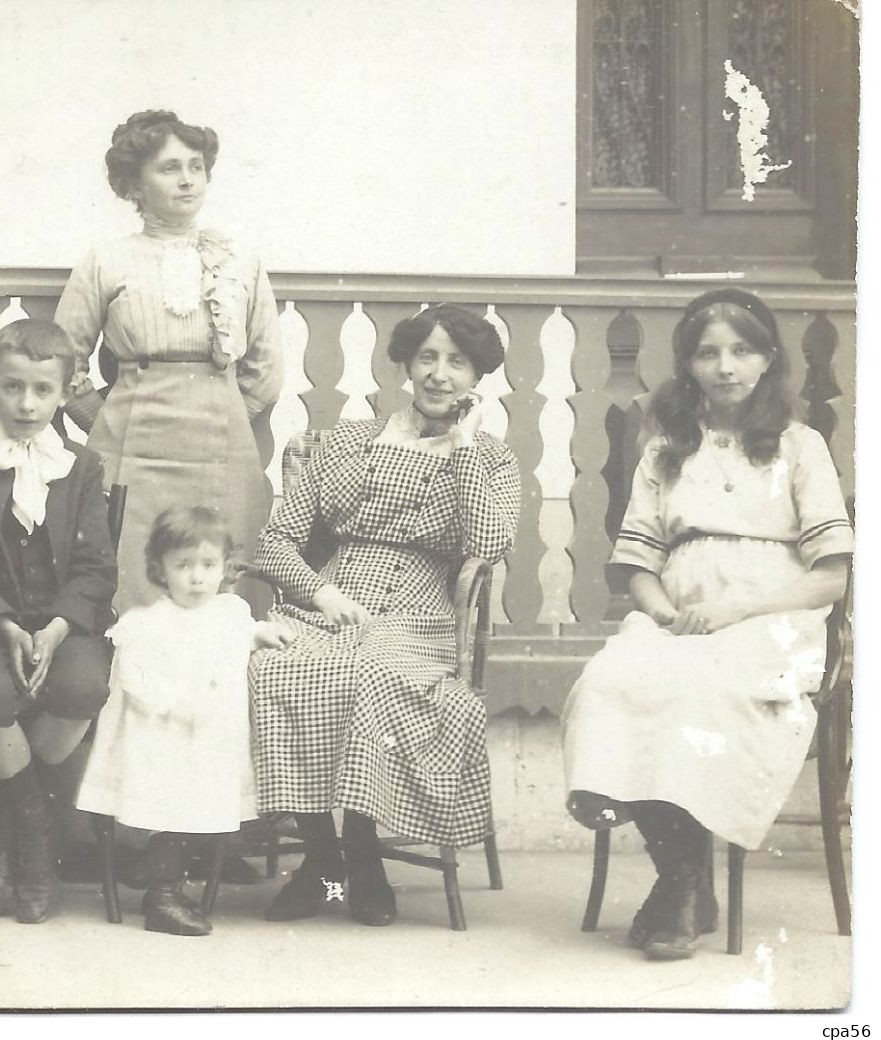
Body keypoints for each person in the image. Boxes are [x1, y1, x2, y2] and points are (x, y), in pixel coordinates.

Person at [561, 288, 852, 961]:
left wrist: (737, 609)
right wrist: (661, 609)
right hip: (679, 619)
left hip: (774, 620)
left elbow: (830, 576)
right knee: (610, 682)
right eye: (708, 353)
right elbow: (637, 561)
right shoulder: (666, 449)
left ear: (766, 360)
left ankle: (677, 893)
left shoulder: (797, 446)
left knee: (703, 691)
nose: (725, 366)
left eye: (741, 350)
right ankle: (683, 879)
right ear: (687, 365)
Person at [249, 303, 519, 927]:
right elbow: (275, 542)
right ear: (404, 363)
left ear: (477, 377)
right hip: (334, 594)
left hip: (421, 610)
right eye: (428, 357)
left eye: (457, 362)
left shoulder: (490, 459)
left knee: (371, 675)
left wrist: (464, 445)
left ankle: (364, 856)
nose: (440, 375)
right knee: (274, 672)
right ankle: (323, 856)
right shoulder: (347, 442)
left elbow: (486, 545)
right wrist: (320, 593)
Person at [55, 109, 281, 612]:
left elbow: (265, 364)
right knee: (131, 579)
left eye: (196, 167)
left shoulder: (240, 257)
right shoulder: (106, 260)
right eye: (169, 168)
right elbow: (63, 357)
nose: (187, 180)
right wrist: (103, 422)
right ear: (134, 184)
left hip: (223, 447)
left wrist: (223, 412)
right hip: (131, 446)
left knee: (220, 583)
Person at [0, 319, 117, 923]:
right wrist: (5, 624)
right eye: (12, 388)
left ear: (65, 392)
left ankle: (13, 822)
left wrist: (59, 625)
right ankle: (36, 832)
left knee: (84, 687)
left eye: (42, 390)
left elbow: (94, 569)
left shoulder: (82, 467)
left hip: (67, 627)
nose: (27, 404)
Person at [77, 505, 291, 936]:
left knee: (203, 805)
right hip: (162, 736)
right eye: (183, 566)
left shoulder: (229, 612)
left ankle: (167, 879)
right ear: (160, 569)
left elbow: (236, 633)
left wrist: (259, 633)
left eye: (208, 565)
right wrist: (175, 705)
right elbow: (135, 682)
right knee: (173, 807)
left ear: (225, 568)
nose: (197, 578)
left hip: (209, 740)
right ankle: (162, 894)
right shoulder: (148, 625)